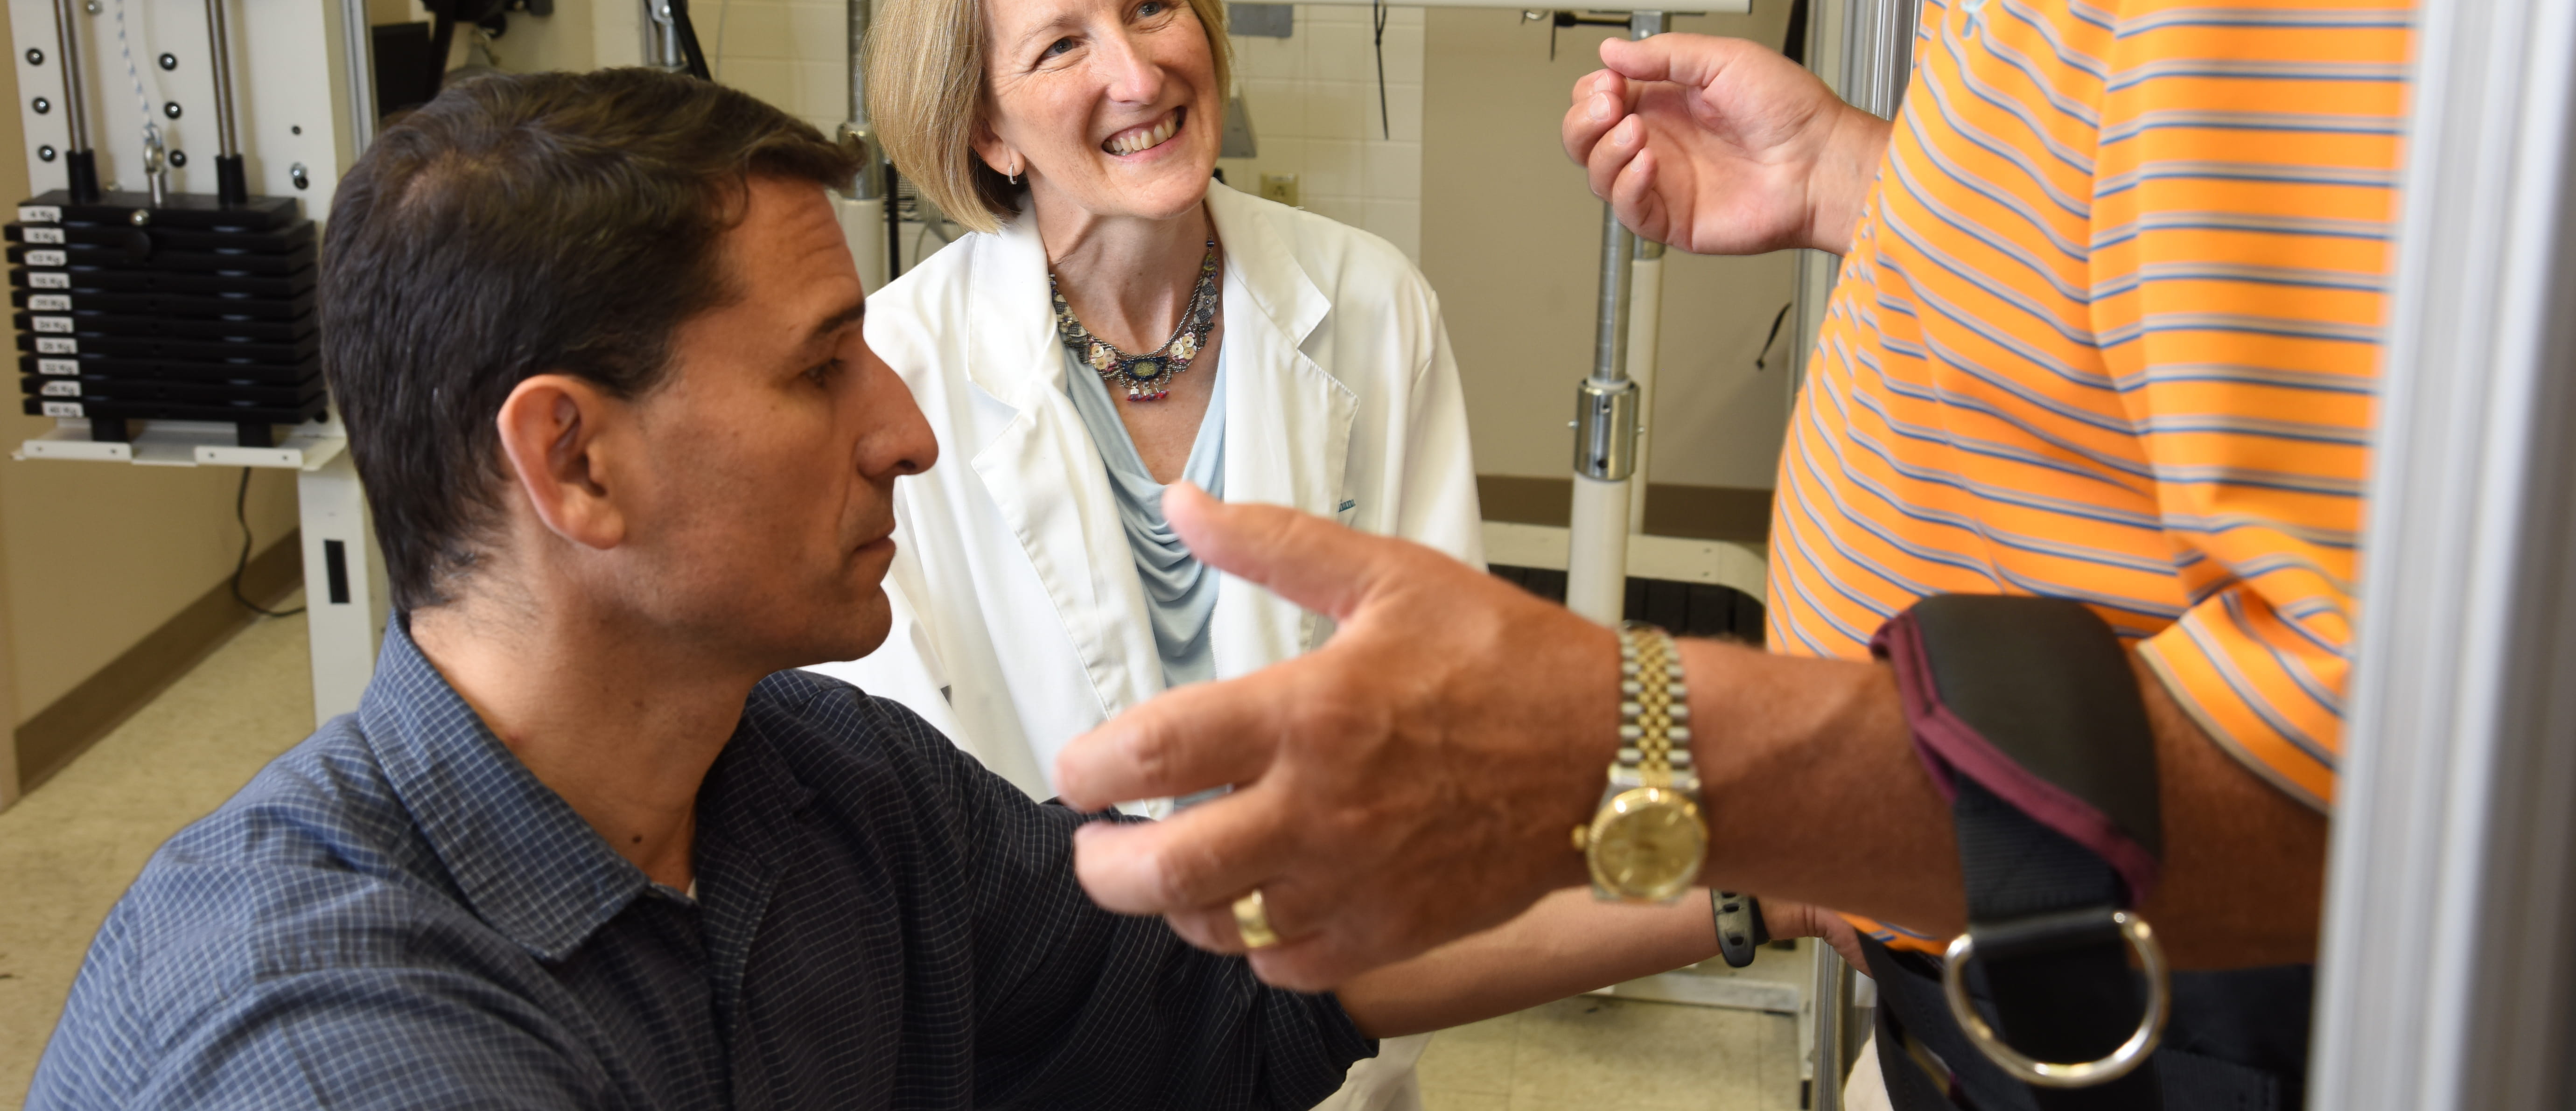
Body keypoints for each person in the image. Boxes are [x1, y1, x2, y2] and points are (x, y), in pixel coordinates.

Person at [1042, 0, 2478, 1105]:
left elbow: (2392, 758)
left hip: (2167, 1008)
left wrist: (1644, 741)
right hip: (2016, 960)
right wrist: (1880, 180)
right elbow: (2233, 274)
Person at [26, 70, 1726, 1110]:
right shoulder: (330, 1038)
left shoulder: (822, 789)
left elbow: (1228, 991)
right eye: (821, 367)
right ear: (575, 463)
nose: (906, 432)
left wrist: (1785, 854)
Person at [813, 0, 1481, 1107]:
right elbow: (899, 775)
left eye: (1152, 6)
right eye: (1061, 46)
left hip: (1334, 1010)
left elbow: (1443, 687)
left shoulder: (1370, 304)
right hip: (1048, 1041)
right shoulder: (900, 366)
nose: (1136, 73)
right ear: (987, 129)